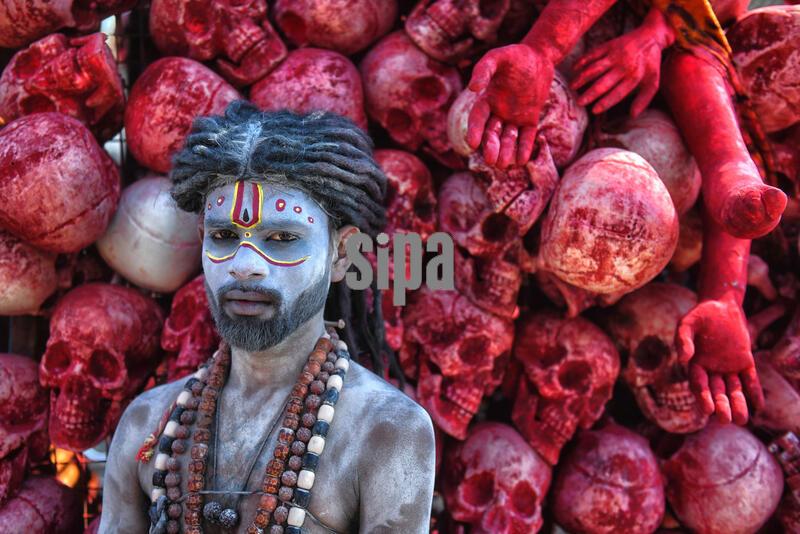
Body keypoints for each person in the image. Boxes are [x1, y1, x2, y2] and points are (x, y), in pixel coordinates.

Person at [99, 100, 437, 534]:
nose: (244, 264)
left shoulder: (385, 431)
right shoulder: (147, 423)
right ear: (202, 240)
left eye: (281, 238)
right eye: (223, 236)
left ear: (340, 254)